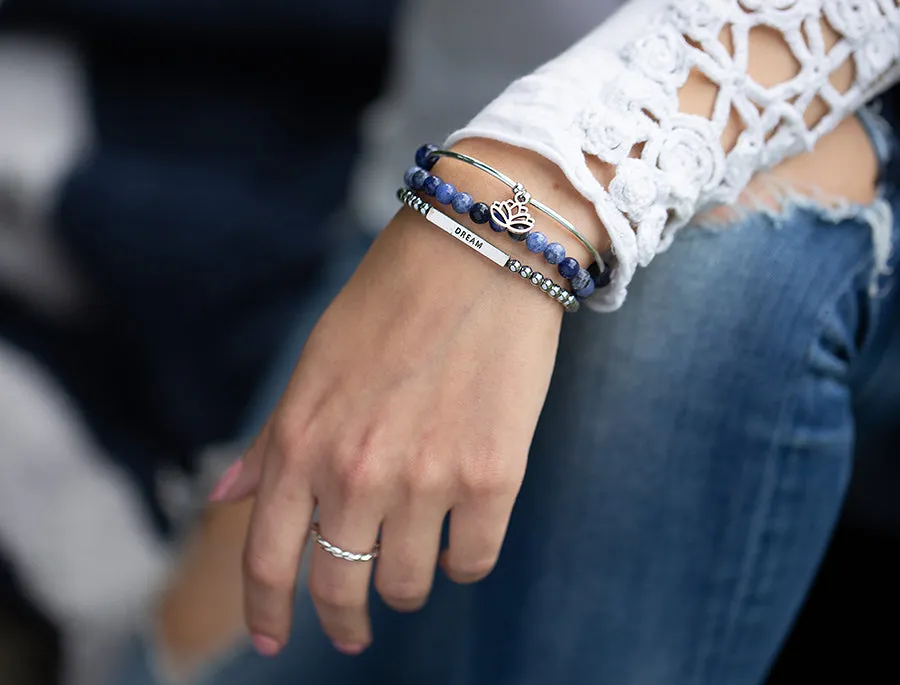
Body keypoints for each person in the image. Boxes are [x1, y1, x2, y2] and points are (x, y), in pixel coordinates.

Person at [119, 1, 900, 683]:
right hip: (448, 148)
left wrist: (538, 185)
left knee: (706, 286)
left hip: (822, 146)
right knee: (208, 646)